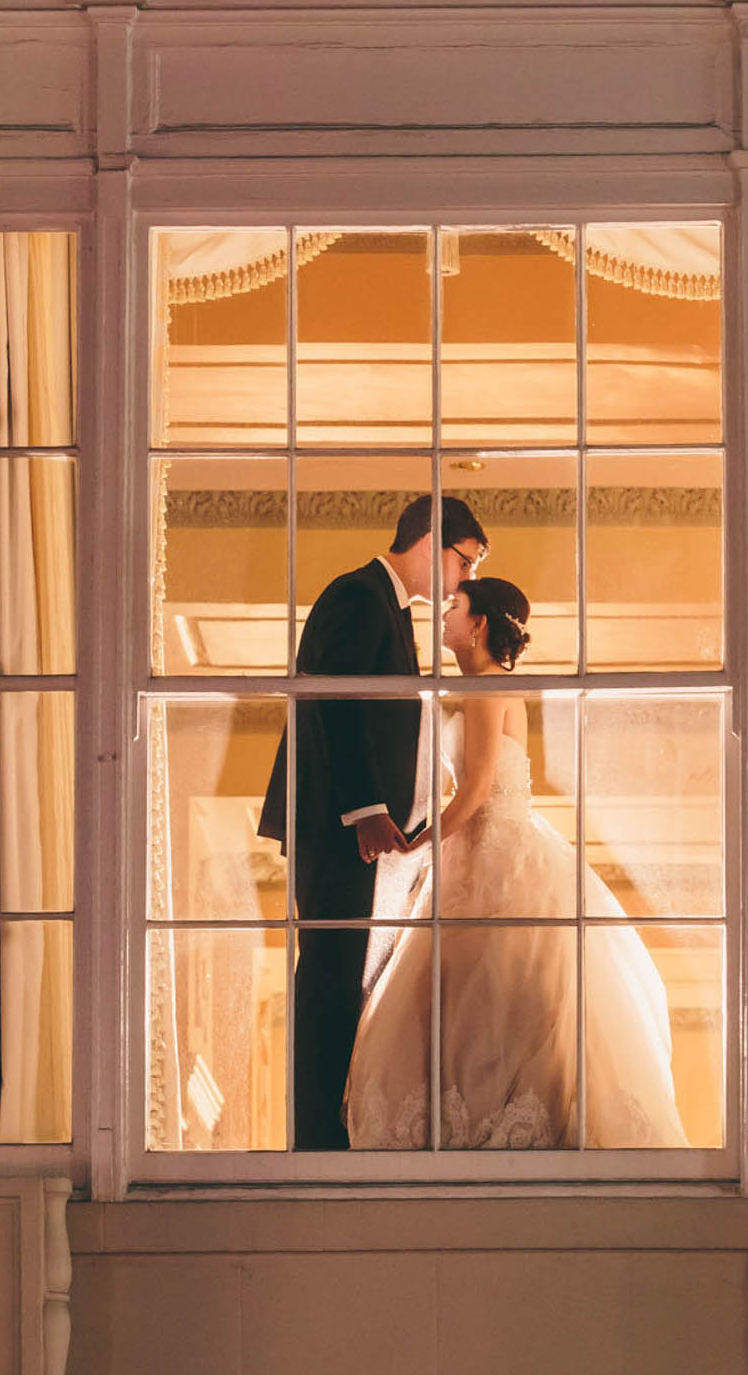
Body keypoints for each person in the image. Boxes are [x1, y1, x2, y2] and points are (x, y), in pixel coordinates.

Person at [345, 576, 689, 1151]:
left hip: (491, 850)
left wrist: (419, 843)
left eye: (454, 608)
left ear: (478, 625)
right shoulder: (487, 685)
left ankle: (488, 1122)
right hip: (483, 847)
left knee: (488, 985)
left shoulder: (484, 687)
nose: (445, 618)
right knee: (476, 988)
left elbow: (477, 787)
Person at [257, 493, 488, 1150]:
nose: (463, 582)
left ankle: (329, 1139)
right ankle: (312, 1150)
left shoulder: (388, 609)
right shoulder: (357, 596)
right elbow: (335, 700)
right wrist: (367, 812)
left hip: (365, 841)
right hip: (339, 832)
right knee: (330, 976)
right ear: (430, 540)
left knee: (346, 976)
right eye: (464, 562)